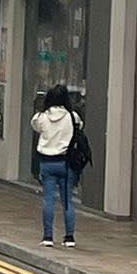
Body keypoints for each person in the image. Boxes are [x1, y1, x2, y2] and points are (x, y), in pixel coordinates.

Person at [31, 83, 82, 249]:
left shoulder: (42, 117)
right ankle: (69, 238)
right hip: (66, 163)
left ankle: (48, 237)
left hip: (47, 163)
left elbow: (35, 126)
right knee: (67, 201)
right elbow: (79, 127)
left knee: (48, 200)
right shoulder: (72, 117)